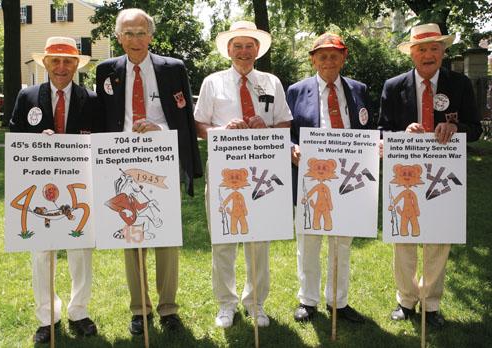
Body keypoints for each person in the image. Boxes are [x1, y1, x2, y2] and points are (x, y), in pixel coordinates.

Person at [95, 8, 202, 334]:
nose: (135, 39)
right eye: (128, 33)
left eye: (141, 32)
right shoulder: (105, 71)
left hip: (162, 159)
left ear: (151, 36)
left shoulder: (173, 69)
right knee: (132, 235)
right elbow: (102, 119)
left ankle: (168, 308)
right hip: (123, 163)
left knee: (166, 237)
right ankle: (139, 310)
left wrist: (185, 162)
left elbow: (185, 118)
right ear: (118, 37)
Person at [378, 23, 482, 328]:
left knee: (439, 238)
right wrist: (401, 132)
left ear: (443, 52)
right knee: (405, 237)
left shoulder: (460, 84)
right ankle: (406, 301)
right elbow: (382, 130)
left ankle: (431, 303)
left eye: (434, 48)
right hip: (406, 174)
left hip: (443, 176)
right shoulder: (393, 86)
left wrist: (456, 128)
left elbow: (475, 128)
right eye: (421, 49)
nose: (427, 54)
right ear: (411, 54)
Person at [194, 20, 292, 328]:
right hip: (225, 170)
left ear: (258, 50)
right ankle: (226, 303)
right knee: (224, 237)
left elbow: (285, 125)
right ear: (228, 50)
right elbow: (199, 127)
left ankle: (256, 302)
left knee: (258, 237)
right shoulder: (212, 82)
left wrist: (269, 127)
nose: (244, 51)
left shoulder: (272, 82)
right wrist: (223, 130)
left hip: (262, 169)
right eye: (238, 45)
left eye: (250, 45)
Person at [10, 36, 98, 343]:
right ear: (45, 63)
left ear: (77, 65)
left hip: (78, 188)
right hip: (38, 188)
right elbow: (16, 137)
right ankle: (47, 317)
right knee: (42, 252)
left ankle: (80, 311)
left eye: (68, 61)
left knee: (80, 250)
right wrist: (37, 141)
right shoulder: (28, 97)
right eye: (55, 61)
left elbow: (100, 144)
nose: (61, 67)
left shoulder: (91, 99)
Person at [287, 33, 371, 324]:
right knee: (308, 240)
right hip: (310, 177)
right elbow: (285, 132)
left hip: (348, 177)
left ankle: (339, 301)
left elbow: (370, 129)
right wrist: (290, 148)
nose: (329, 61)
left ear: (344, 57)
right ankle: (307, 301)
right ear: (313, 60)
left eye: (334, 55)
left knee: (341, 242)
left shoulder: (359, 89)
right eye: (322, 56)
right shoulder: (296, 91)